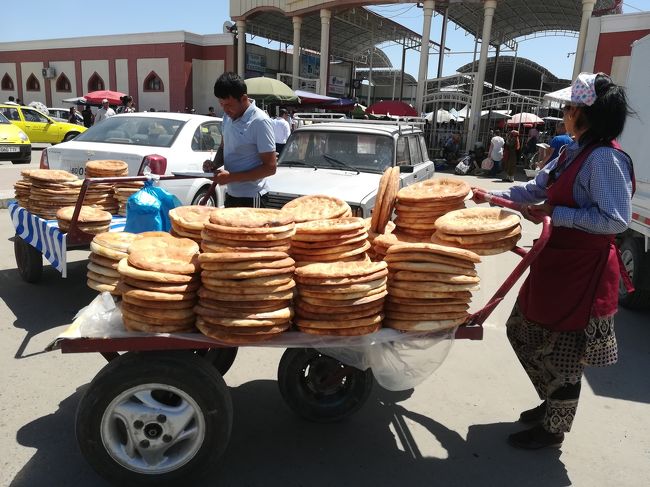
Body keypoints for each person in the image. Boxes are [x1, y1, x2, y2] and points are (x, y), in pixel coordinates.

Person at [473, 72, 634, 450]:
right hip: (554, 260)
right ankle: (551, 402)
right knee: (521, 331)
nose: (565, 114)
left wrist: (555, 215)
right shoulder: (571, 151)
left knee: (564, 353)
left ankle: (554, 427)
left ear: (586, 113)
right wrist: (492, 195)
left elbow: (615, 219)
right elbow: (535, 189)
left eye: (570, 108)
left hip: (583, 270)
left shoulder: (605, 159)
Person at [202, 72, 276, 208]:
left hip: (252, 197)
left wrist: (230, 177)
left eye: (229, 105)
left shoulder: (260, 121)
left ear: (244, 99)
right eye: (221, 104)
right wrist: (214, 165)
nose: (225, 109)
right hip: (231, 194)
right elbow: (224, 147)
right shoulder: (227, 117)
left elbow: (270, 168)